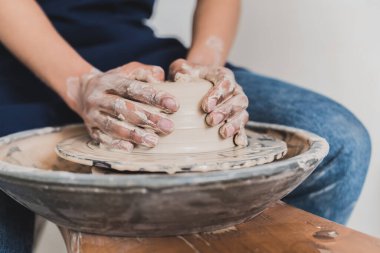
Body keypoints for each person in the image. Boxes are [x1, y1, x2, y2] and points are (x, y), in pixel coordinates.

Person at [0, 1, 371, 252]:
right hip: (17, 53)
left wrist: (203, 71)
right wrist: (79, 84)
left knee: (338, 140)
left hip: (132, 50)